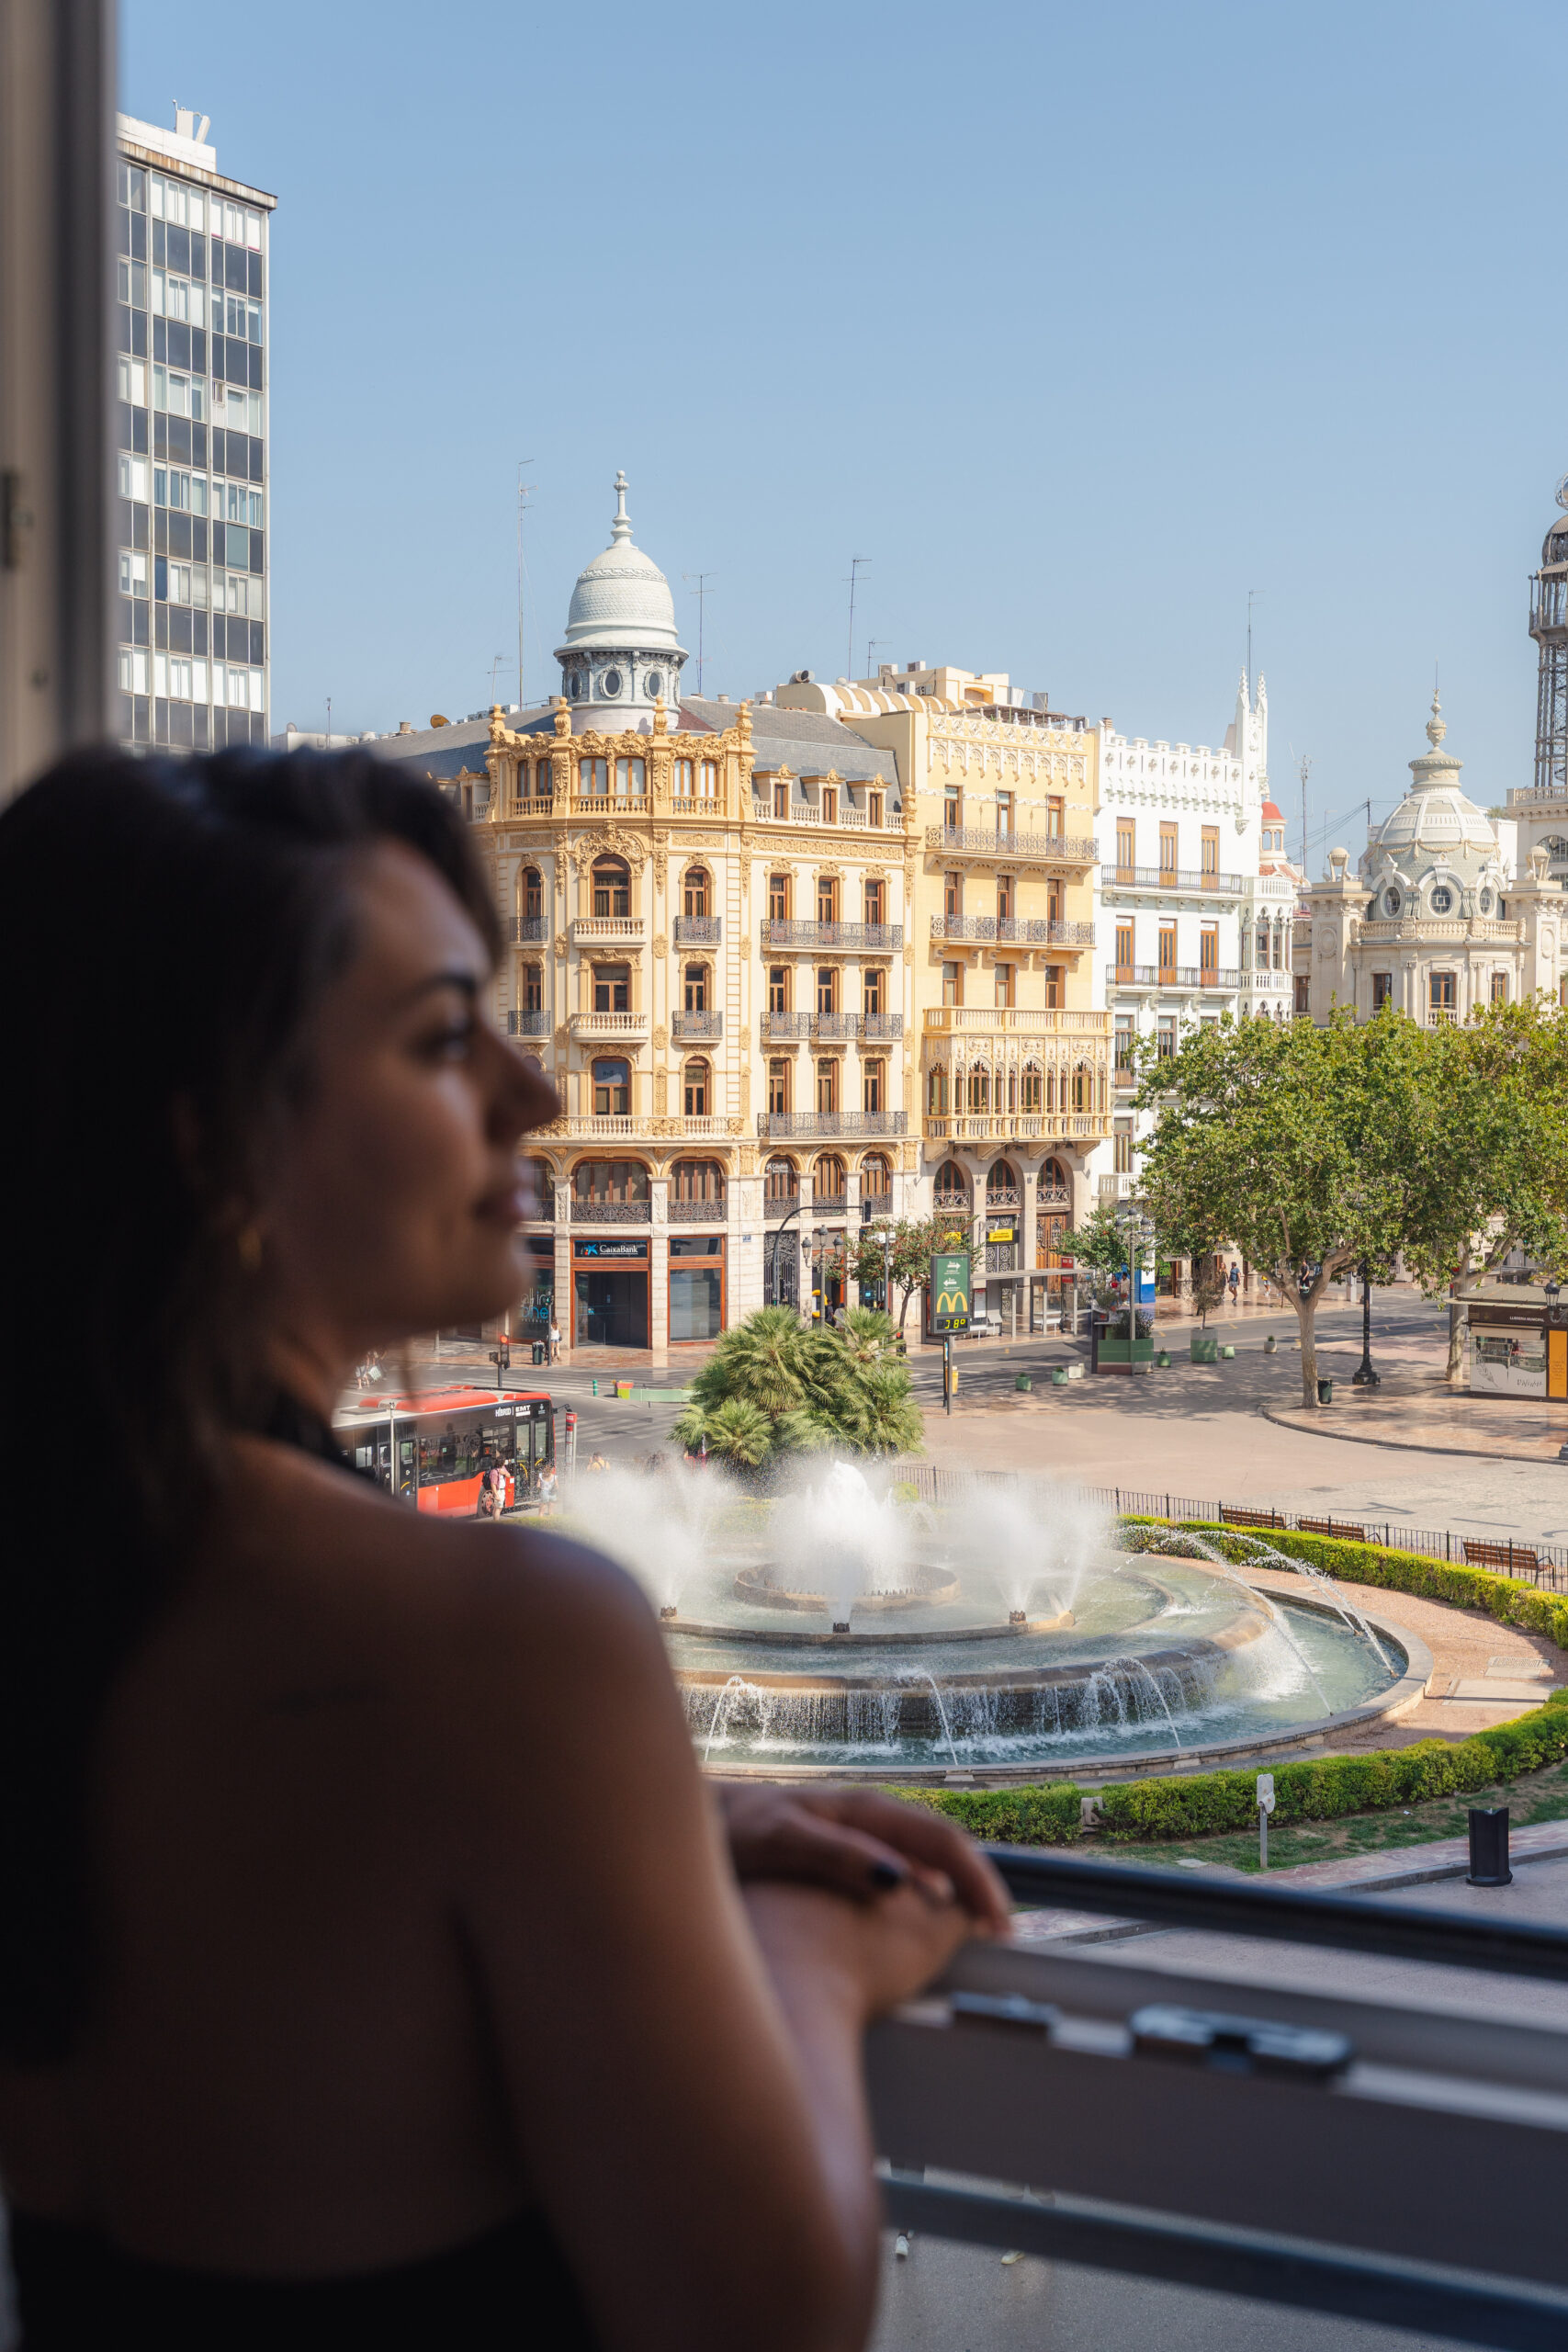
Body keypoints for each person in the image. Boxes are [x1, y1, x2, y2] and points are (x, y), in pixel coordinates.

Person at [0, 746, 1004, 2352]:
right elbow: (765, 2313)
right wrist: (827, 1946)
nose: (537, 1098)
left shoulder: (77, 1576)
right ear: (214, 1141)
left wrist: (660, 1829)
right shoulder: (500, 1640)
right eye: (443, 1039)